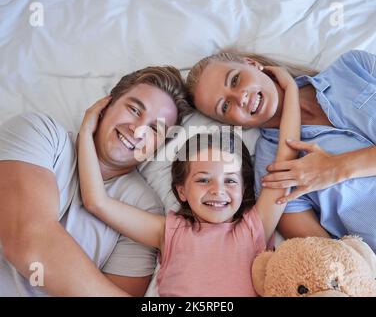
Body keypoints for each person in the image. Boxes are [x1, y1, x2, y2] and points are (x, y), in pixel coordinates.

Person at [77, 66, 300, 296]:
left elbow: (287, 157)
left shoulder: (256, 227)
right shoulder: (169, 232)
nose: (217, 190)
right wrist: (85, 132)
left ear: (244, 190)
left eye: (231, 181)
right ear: (181, 191)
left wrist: (291, 89)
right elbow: (96, 202)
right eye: (203, 180)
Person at [0, 66, 189, 296]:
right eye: (134, 109)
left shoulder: (143, 207)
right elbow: (28, 241)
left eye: (153, 129)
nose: (138, 130)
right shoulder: (41, 134)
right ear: (106, 104)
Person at [186, 49, 376, 250]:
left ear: (251, 63)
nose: (239, 98)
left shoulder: (354, 65)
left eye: (235, 80)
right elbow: (333, 260)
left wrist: (336, 168)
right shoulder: (271, 172)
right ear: (233, 124)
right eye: (225, 106)